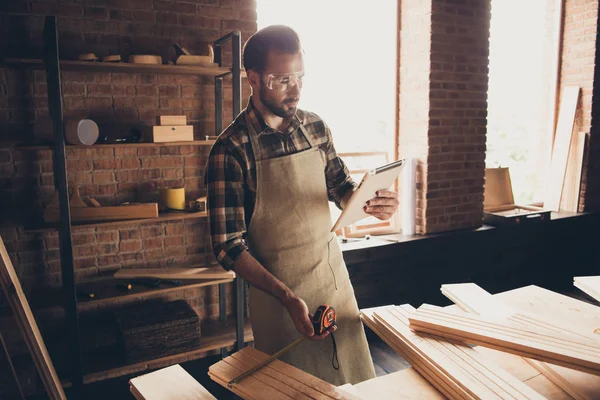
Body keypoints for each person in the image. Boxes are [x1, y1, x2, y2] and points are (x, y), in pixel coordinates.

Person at [204, 25, 399, 386]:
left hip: (333, 285)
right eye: (282, 80)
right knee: (295, 392)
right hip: (279, 302)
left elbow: (340, 185)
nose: (295, 89)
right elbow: (228, 246)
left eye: (300, 78)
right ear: (254, 79)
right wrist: (288, 297)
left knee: (356, 387)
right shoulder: (230, 150)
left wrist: (369, 202)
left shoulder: (316, 128)